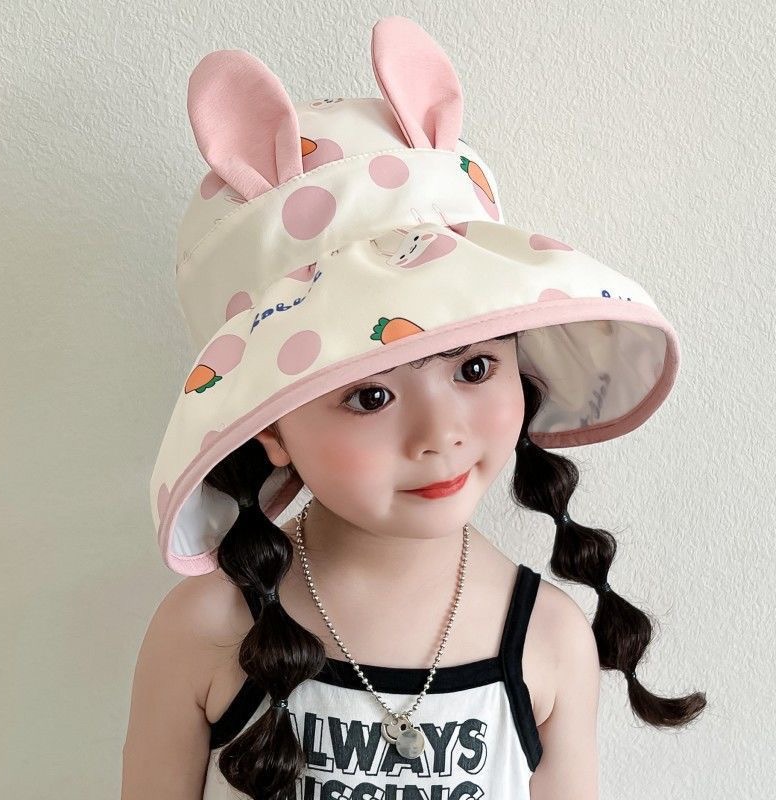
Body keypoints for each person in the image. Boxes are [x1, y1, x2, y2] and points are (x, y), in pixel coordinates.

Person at [122, 15, 706, 800]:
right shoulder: (204, 631)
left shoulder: (547, 639)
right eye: (371, 395)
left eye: (474, 366)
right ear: (271, 426)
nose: (440, 435)